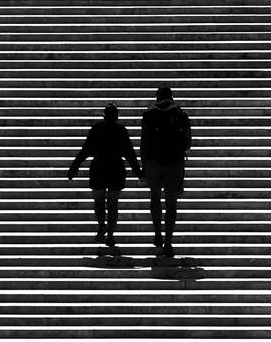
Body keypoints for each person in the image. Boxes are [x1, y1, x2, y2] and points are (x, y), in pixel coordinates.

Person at [67, 103, 143, 247]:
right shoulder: (121, 130)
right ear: (117, 115)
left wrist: (73, 168)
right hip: (116, 168)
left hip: (99, 167)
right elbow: (130, 153)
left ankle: (102, 225)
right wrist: (139, 173)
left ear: (104, 115)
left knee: (99, 201)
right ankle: (110, 235)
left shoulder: (96, 128)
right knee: (113, 204)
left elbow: (85, 150)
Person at [140, 85, 192, 258]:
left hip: (153, 162)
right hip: (174, 163)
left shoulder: (148, 114)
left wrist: (143, 165)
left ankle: (157, 232)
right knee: (171, 204)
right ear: (171, 96)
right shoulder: (181, 114)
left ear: (157, 97)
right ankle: (168, 242)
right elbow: (188, 140)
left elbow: (144, 141)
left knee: (155, 196)